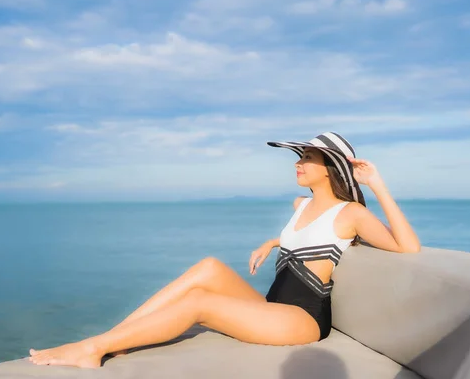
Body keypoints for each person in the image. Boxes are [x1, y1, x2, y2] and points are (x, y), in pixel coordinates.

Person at [28, 131, 422, 368]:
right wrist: (272, 242)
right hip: (273, 308)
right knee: (208, 268)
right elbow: (308, 242)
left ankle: (91, 349)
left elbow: (408, 247)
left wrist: (377, 184)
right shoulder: (300, 205)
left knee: (201, 300)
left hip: (302, 320)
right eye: (299, 157)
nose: (298, 164)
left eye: (307, 158)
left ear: (330, 168)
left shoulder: (350, 212)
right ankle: (115, 339)